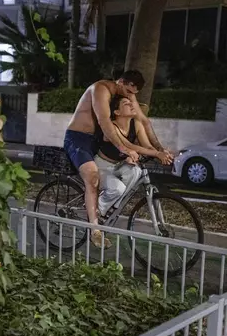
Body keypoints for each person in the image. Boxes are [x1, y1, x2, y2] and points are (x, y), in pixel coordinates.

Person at [63, 70, 173, 248]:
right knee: (92, 176)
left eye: (134, 94)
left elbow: (144, 121)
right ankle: (95, 230)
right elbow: (104, 122)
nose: (132, 97)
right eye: (129, 92)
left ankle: (103, 210)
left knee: (130, 173)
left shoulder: (127, 95)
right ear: (121, 82)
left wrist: (160, 149)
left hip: (97, 140)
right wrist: (124, 148)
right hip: (79, 138)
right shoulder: (101, 89)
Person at [95, 95, 171, 221]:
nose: (131, 105)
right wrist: (157, 154)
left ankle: (114, 207)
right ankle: (97, 211)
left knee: (136, 171)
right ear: (117, 112)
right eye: (126, 103)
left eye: (131, 102)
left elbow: (147, 145)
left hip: (119, 164)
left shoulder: (136, 124)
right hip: (102, 165)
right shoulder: (111, 127)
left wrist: (162, 153)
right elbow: (129, 145)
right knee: (117, 189)